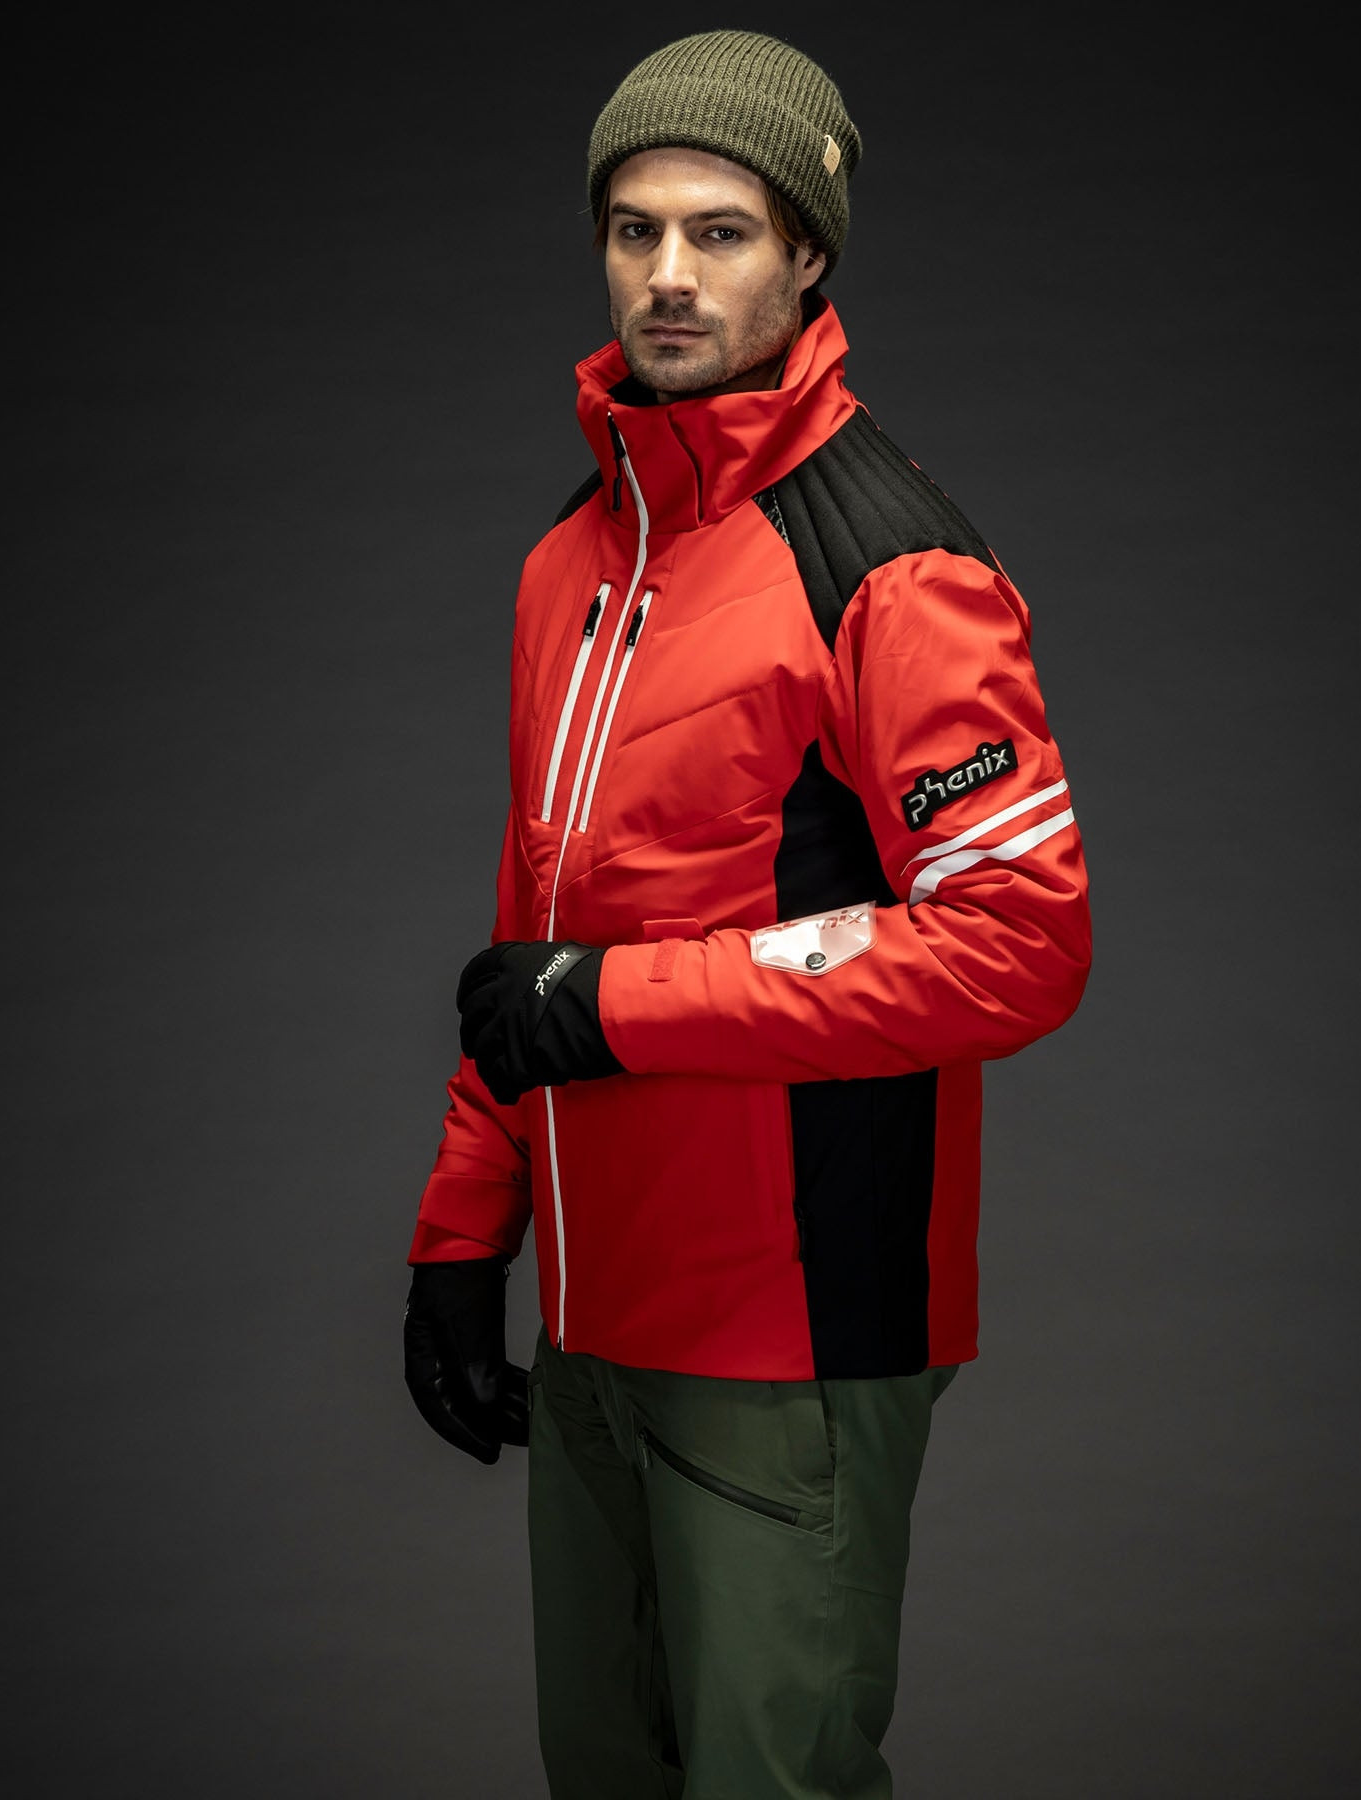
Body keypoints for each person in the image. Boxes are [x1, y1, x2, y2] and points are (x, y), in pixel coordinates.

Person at [402, 28, 1091, 1799]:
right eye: (634, 229)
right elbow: (529, 939)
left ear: (808, 255)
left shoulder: (895, 569)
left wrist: (621, 1005)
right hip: (595, 1333)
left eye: (720, 232)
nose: (669, 274)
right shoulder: (573, 565)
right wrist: (463, 1240)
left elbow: (1018, 944)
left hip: (790, 1344)